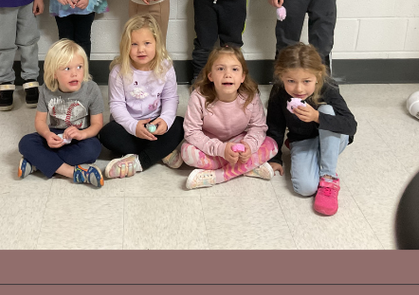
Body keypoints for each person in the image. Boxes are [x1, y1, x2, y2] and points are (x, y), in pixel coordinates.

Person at [267, 43, 357, 216]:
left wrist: (317, 117)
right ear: (282, 77)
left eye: (306, 81)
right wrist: (276, 158)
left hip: (335, 139)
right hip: (303, 139)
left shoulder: (328, 88)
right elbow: (275, 126)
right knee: (305, 188)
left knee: (327, 110)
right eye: (291, 81)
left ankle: (329, 178)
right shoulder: (279, 92)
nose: (299, 89)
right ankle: (317, 157)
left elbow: (351, 126)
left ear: (317, 76)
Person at [180, 44, 277, 189]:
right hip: (211, 145)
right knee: (187, 153)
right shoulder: (199, 97)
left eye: (235, 69)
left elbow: (258, 127)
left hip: (239, 142)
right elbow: (192, 132)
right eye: (220, 69)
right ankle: (248, 166)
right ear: (210, 76)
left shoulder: (250, 96)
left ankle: (217, 176)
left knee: (272, 145)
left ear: (243, 76)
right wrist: (221, 150)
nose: (228, 74)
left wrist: (248, 146)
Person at [100, 15, 185, 179]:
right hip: (128, 127)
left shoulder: (166, 67)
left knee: (181, 125)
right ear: (126, 46)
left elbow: (170, 99)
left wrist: (166, 121)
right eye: (134, 44)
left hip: (156, 124)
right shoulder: (118, 71)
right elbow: (116, 105)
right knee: (107, 135)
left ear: (157, 44)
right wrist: (134, 126)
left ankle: (139, 162)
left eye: (147, 43)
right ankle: (161, 151)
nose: (141, 49)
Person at [17, 40, 104, 188]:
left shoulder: (91, 89)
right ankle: (73, 172)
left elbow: (97, 124)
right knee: (25, 142)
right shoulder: (46, 90)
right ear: (54, 73)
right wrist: (46, 135)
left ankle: (37, 163)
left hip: (80, 137)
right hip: (55, 136)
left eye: (79, 67)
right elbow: (40, 121)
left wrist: (82, 134)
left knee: (93, 149)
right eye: (67, 68)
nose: (74, 73)